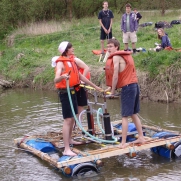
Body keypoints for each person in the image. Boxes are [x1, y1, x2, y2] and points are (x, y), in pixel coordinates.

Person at [54, 41, 102, 156]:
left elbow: (80, 76)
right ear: (66, 50)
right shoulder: (60, 63)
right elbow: (55, 80)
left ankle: (70, 140)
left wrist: (95, 87)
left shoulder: (72, 61)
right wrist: (62, 76)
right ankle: (66, 149)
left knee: (73, 118)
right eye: (71, 48)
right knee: (68, 120)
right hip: (65, 93)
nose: (73, 49)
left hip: (73, 91)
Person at [104, 38, 145, 148]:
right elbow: (124, 73)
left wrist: (112, 92)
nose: (108, 49)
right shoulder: (127, 55)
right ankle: (141, 137)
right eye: (107, 47)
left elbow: (116, 75)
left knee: (124, 116)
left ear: (116, 47)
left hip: (128, 87)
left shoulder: (116, 56)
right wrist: (110, 87)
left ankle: (123, 143)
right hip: (134, 85)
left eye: (111, 46)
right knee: (133, 113)